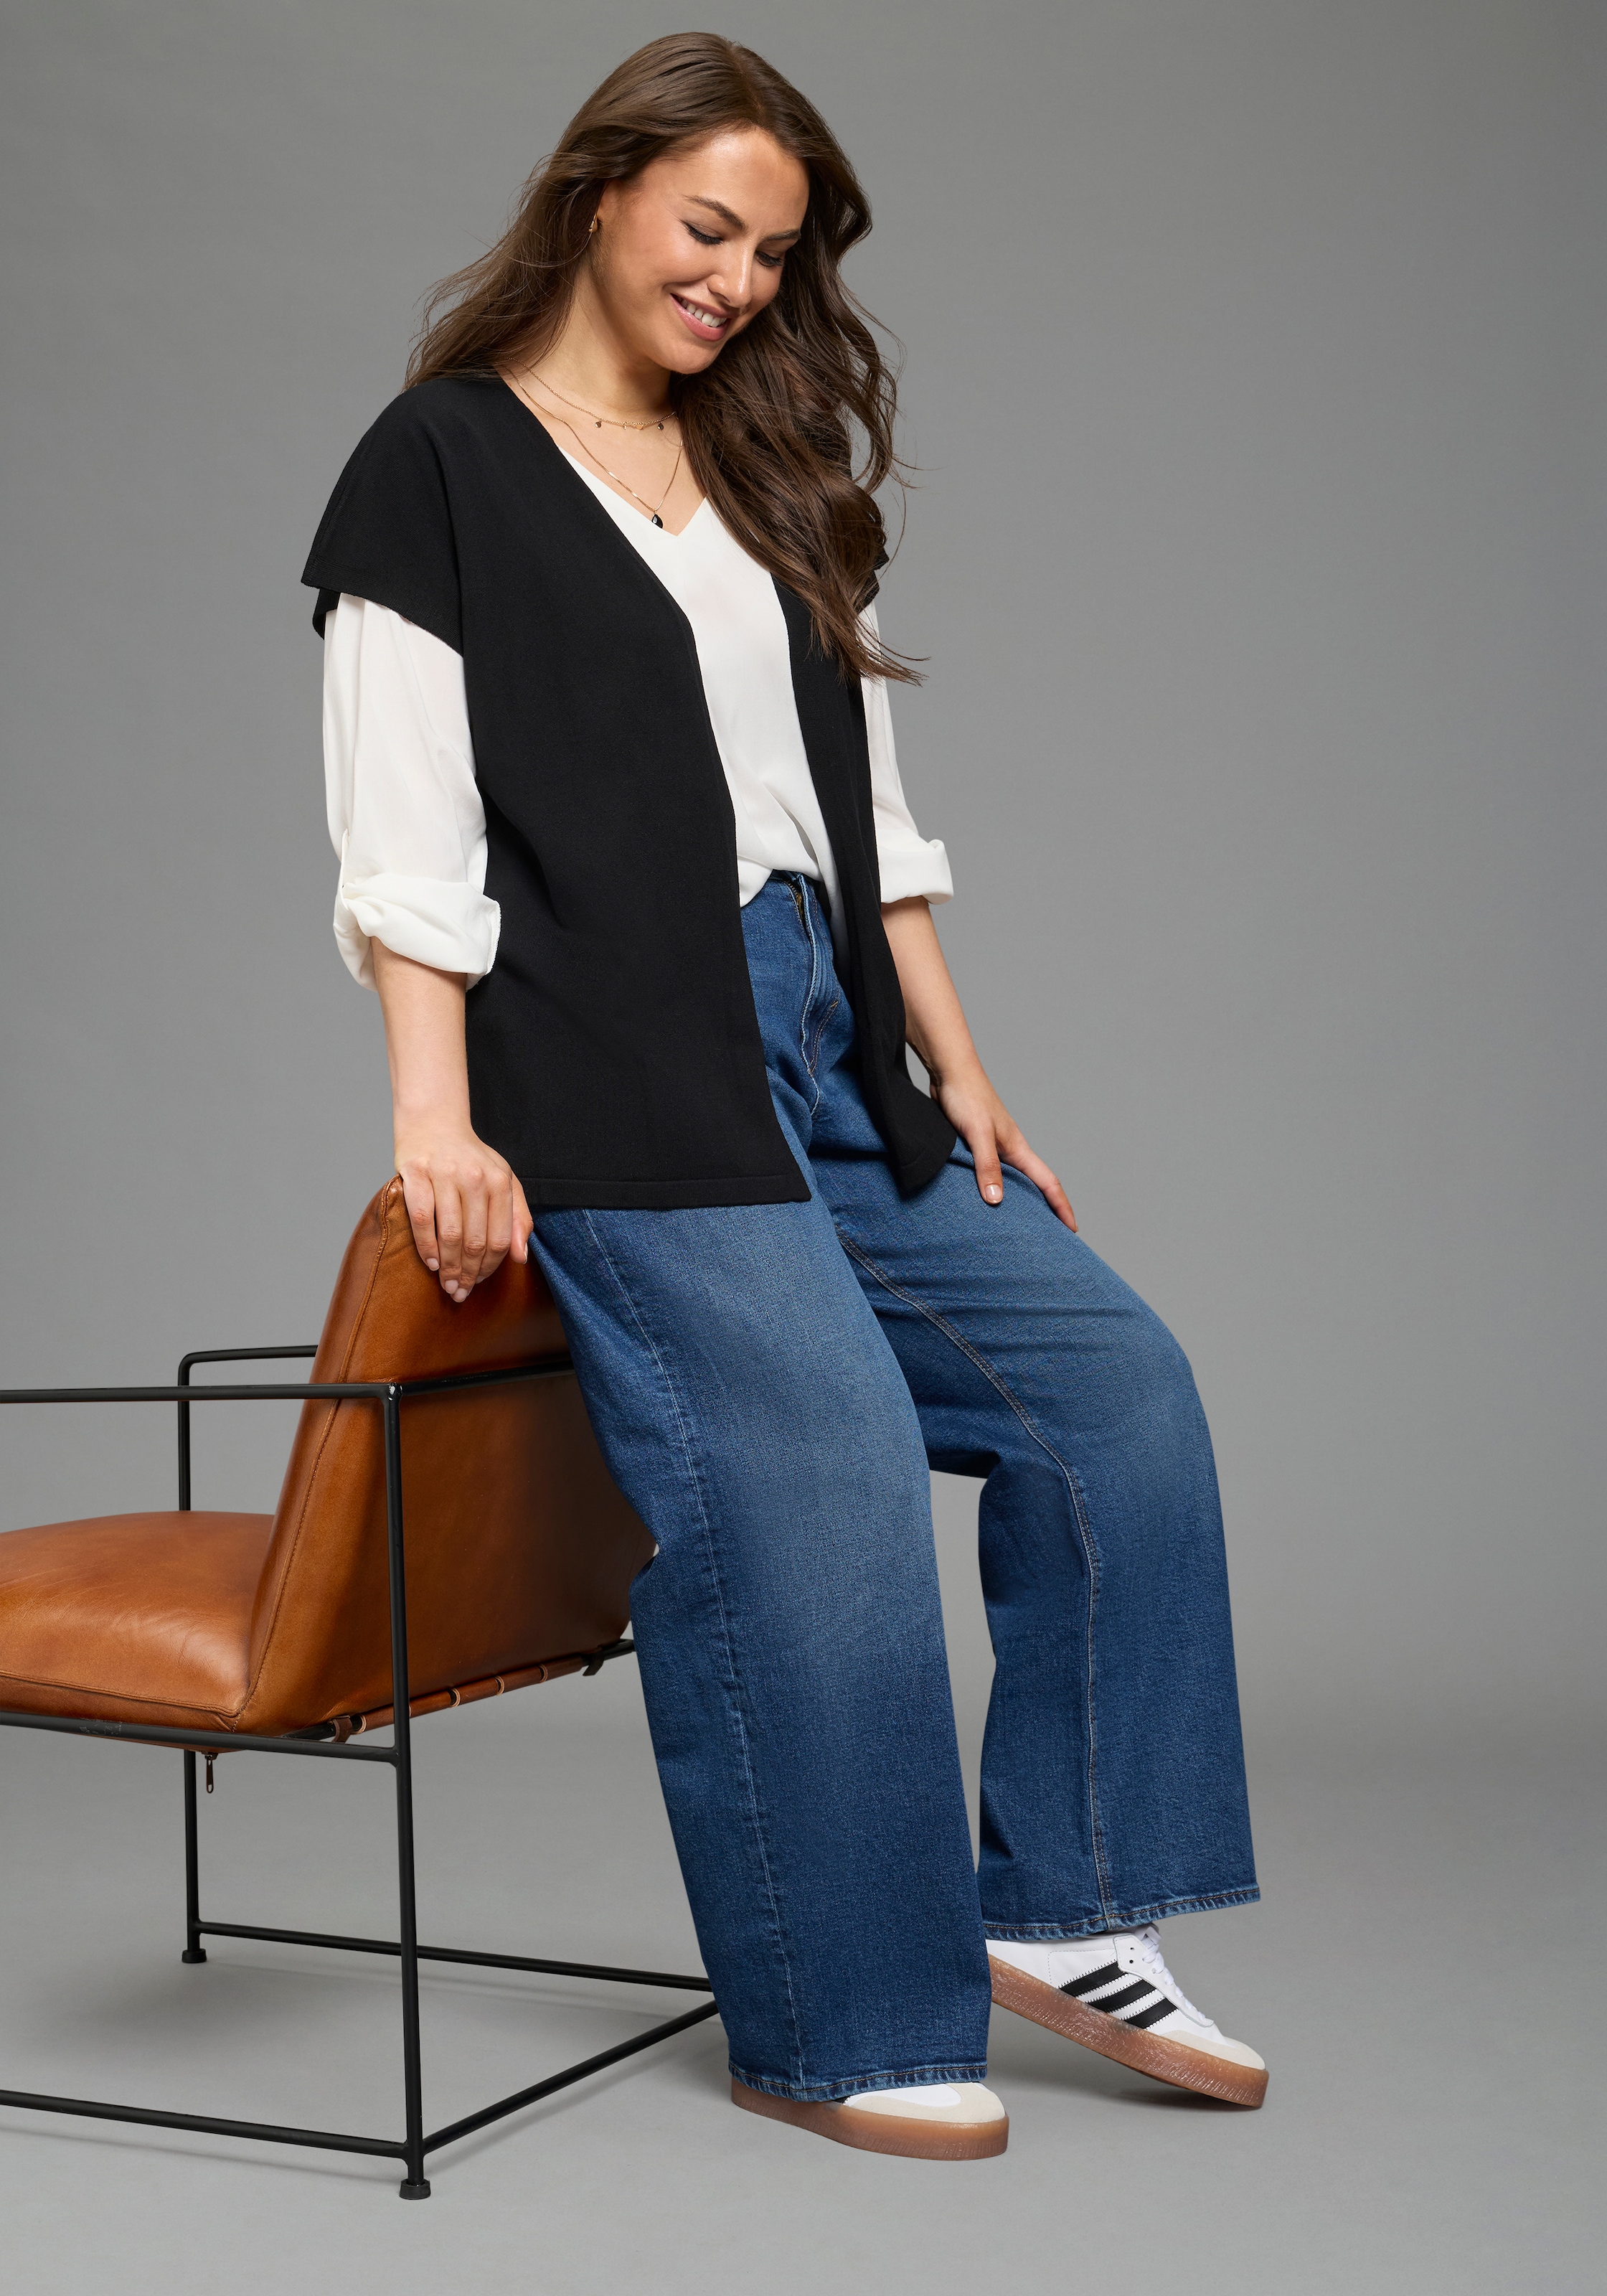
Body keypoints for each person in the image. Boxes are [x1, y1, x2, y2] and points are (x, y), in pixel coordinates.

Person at [303, 32, 1263, 2162]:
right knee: (820, 1482)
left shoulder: (768, 465)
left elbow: (867, 807)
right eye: (707, 228)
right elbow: (407, 839)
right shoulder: (440, 461)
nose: (737, 282)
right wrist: (436, 1120)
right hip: (612, 1063)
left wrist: (960, 1064)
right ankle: (844, 2015)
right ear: (601, 196)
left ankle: (1066, 1905)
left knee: (1114, 1395)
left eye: (772, 254)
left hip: (826, 1047)